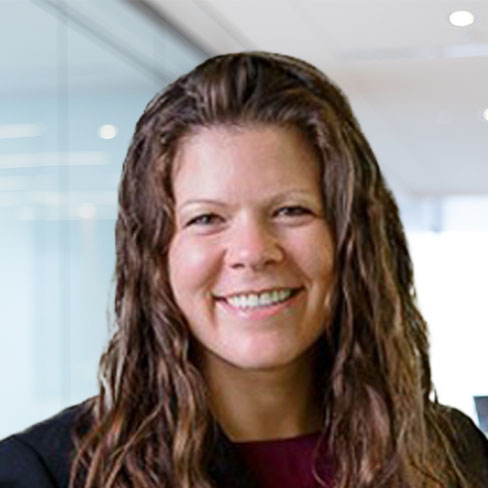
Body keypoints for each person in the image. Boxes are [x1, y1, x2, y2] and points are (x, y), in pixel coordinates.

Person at [0, 51, 487, 488]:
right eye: (206, 218)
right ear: (155, 255)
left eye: (291, 210)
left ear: (349, 238)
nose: (252, 252)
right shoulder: (47, 472)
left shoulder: (451, 456)